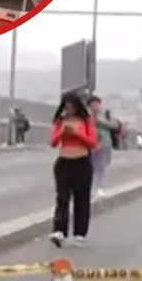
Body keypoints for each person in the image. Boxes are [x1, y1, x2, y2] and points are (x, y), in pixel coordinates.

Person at [49, 91, 98, 248]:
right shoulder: (60, 121)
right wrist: (62, 133)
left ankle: (80, 233)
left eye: (72, 107)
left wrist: (77, 135)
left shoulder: (86, 121)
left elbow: (92, 142)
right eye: (66, 107)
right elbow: (53, 142)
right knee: (62, 198)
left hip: (82, 162)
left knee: (81, 199)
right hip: (64, 162)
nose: (69, 111)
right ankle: (59, 231)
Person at [88, 95, 119, 198]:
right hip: (91, 144)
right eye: (93, 105)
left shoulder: (105, 115)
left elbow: (114, 125)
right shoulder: (86, 116)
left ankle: (99, 188)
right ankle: (90, 188)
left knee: (101, 166)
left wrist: (100, 122)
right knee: (89, 167)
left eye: (97, 104)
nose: (96, 106)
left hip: (104, 145)